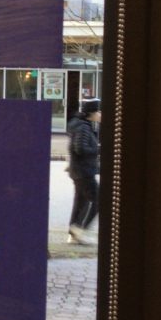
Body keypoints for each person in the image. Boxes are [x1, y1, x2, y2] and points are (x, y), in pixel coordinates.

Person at [67, 98, 101, 245]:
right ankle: (80, 231)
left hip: (80, 171)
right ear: (91, 113)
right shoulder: (84, 128)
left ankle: (74, 233)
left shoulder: (83, 126)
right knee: (98, 200)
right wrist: (98, 149)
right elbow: (80, 148)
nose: (100, 114)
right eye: (98, 111)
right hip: (84, 172)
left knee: (81, 202)